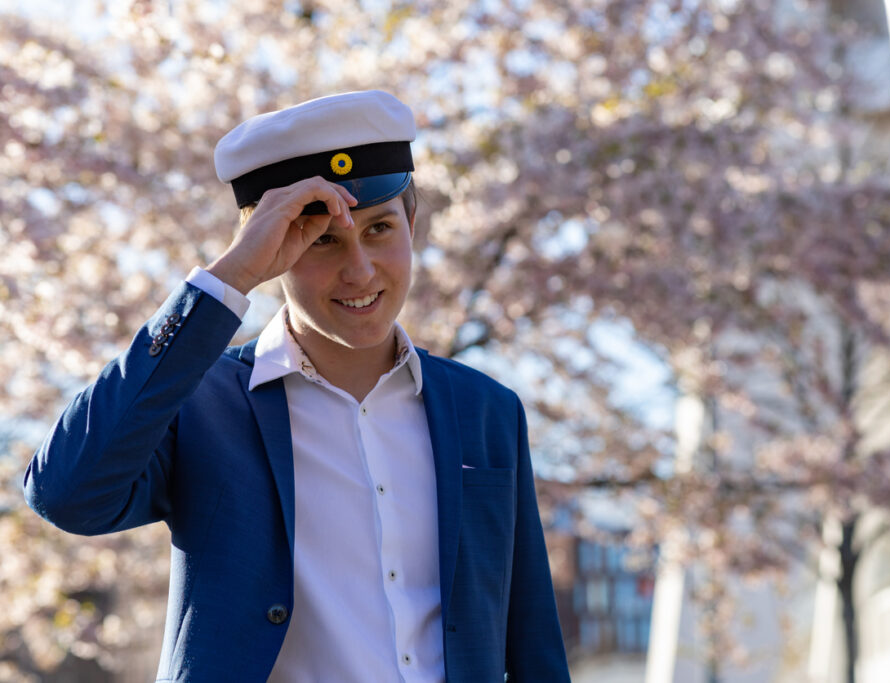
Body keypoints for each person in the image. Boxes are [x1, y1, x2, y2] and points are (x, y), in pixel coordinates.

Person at [24, 91, 570, 682]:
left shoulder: (486, 410)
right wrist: (228, 277)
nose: (360, 270)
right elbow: (67, 494)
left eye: (380, 229)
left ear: (412, 224)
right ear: (273, 247)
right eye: (322, 241)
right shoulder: (200, 405)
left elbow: (532, 641)